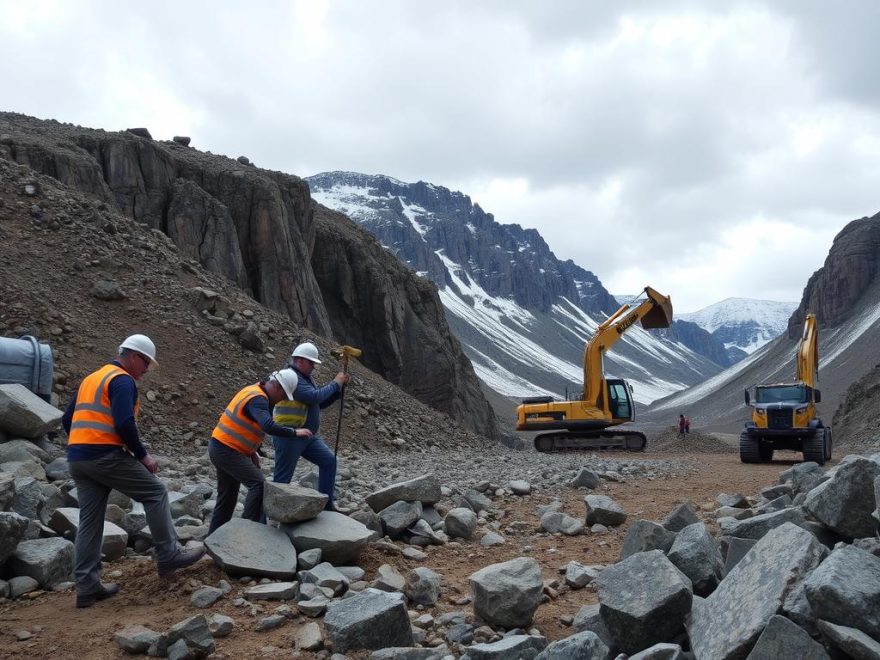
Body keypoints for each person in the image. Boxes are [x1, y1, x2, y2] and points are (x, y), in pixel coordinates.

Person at [62, 334, 204, 608]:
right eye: (146, 363)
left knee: (90, 522)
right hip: (105, 456)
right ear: (134, 357)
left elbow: (69, 419)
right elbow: (125, 423)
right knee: (156, 492)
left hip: (78, 458)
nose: (147, 370)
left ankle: (87, 588)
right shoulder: (122, 380)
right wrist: (143, 456)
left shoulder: (92, 378)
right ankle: (168, 554)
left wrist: (83, 442)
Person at [207, 368, 312, 533]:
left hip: (222, 447)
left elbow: (245, 425)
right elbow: (267, 425)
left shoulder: (254, 391)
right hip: (226, 450)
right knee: (258, 485)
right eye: (284, 395)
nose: (282, 400)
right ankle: (246, 532)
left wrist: (252, 451)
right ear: (277, 387)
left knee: (227, 498)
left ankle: (212, 540)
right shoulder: (258, 399)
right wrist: (294, 432)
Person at [272, 341, 349, 512]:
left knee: (329, 461)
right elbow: (314, 397)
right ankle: (267, 516)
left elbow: (317, 404)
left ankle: (327, 504)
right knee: (281, 480)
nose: (314, 366)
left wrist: (337, 391)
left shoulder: (306, 377)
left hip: (308, 436)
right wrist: (336, 383)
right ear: (299, 360)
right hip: (290, 435)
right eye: (311, 362)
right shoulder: (290, 376)